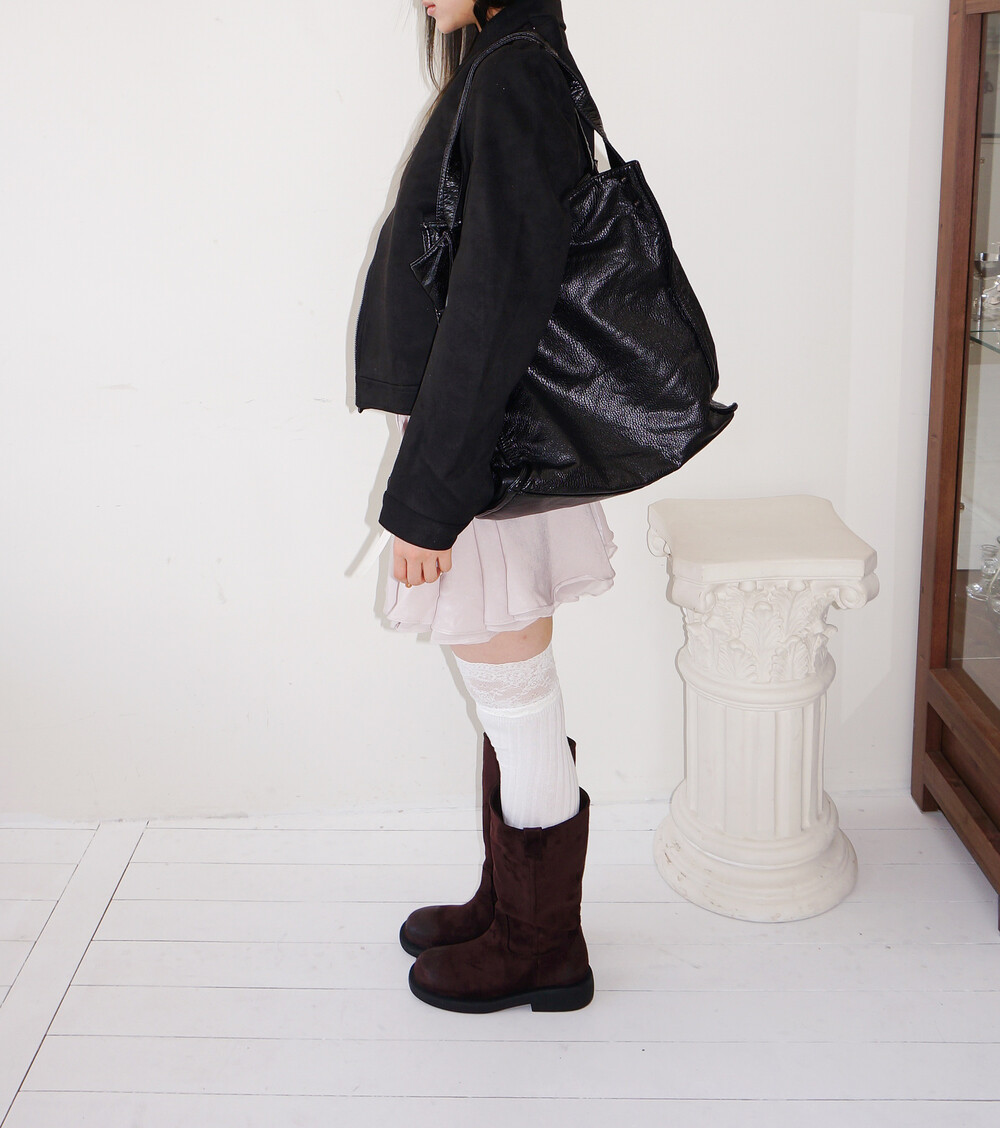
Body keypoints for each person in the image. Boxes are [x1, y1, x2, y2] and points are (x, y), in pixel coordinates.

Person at [354, 0, 613, 1013]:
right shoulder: (512, 61)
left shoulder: (513, 73)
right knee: (512, 687)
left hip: (482, 453)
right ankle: (514, 907)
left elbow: (496, 300)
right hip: (485, 441)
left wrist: (430, 501)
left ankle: (543, 946)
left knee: (514, 690)